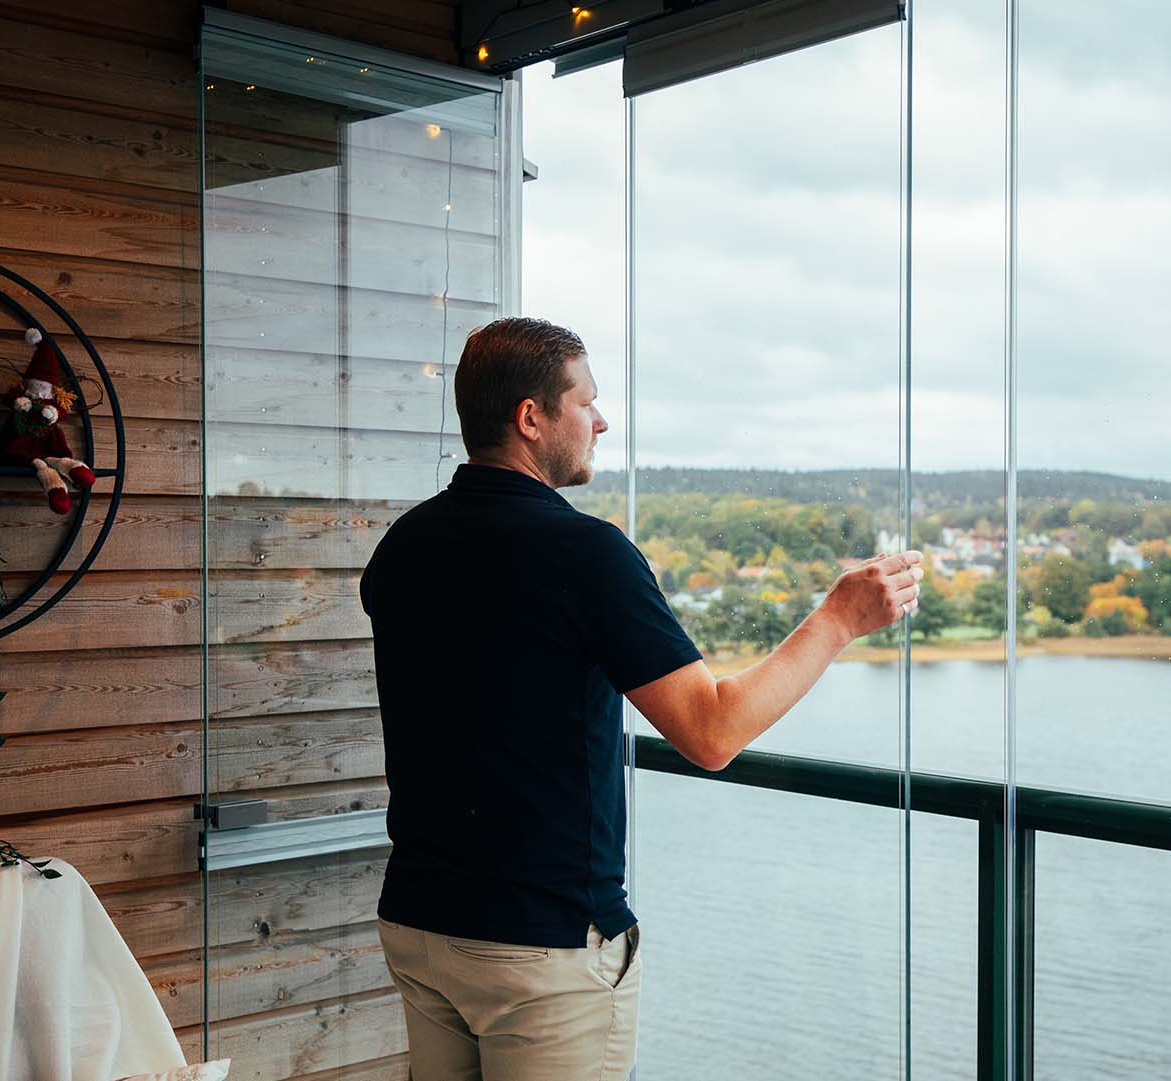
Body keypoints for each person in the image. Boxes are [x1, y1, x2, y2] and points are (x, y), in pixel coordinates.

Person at [360, 317, 923, 1081]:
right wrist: (835, 621)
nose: (600, 420)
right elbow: (711, 731)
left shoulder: (405, 545)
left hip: (421, 924)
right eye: (584, 402)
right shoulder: (584, 553)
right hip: (542, 948)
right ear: (531, 418)